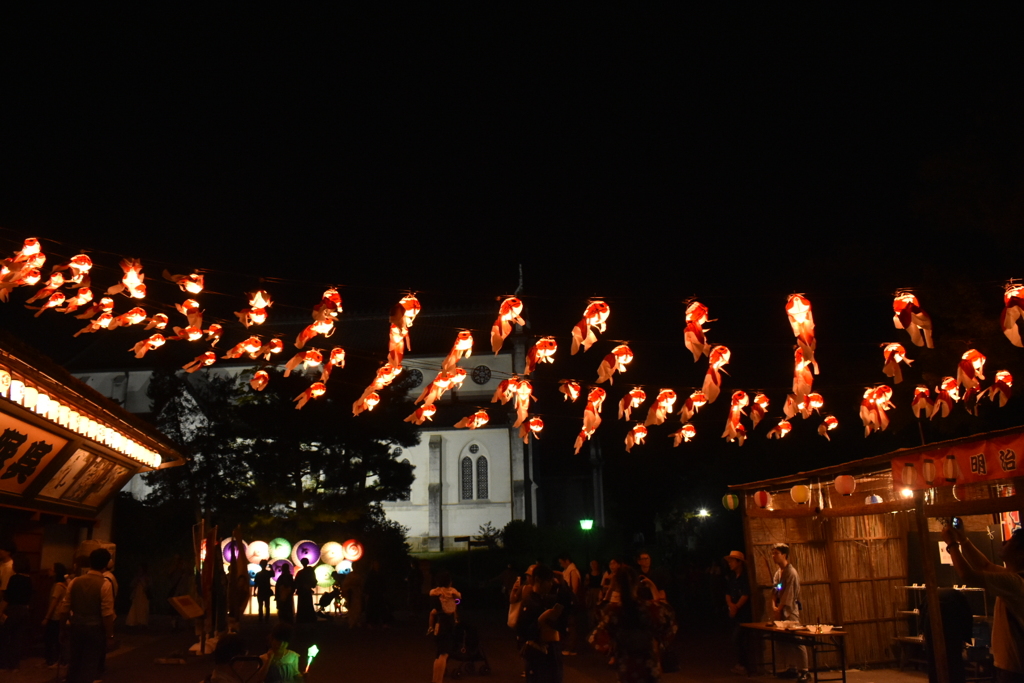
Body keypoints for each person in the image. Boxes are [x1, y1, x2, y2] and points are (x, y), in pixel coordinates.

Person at [943, 522, 1024, 682]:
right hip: (1011, 665)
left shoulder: (1015, 582)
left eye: (1010, 542)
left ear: (1021, 554)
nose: (1003, 542)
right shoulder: (1014, 577)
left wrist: (951, 544)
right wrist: (963, 539)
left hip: (1014, 669)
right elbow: (984, 565)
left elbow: (968, 575)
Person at [594, 565, 663, 682]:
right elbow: (665, 615)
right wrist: (652, 586)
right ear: (637, 583)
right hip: (649, 664)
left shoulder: (613, 611)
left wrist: (609, 590)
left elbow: (598, 638)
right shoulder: (650, 608)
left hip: (626, 665)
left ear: (617, 585)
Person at [59, 548, 116, 683]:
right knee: (90, 664)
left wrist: (62, 628)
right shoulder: (105, 584)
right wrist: (110, 635)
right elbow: (107, 614)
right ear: (106, 564)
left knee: (74, 662)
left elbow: (64, 608)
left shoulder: (75, 582)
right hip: (95, 629)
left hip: (76, 626)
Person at [518, 564, 568, 683]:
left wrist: (562, 584)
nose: (551, 584)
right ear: (537, 580)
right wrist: (540, 621)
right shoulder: (529, 602)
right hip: (538, 654)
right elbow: (523, 632)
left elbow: (570, 605)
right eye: (548, 581)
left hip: (552, 650)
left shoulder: (547, 598)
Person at [771, 543, 809, 682]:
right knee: (782, 640)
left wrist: (779, 609)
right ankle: (791, 667)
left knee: (797, 640)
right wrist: (774, 606)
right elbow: (775, 591)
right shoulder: (778, 573)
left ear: (784, 555)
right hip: (780, 609)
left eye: (776, 553)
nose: (773, 556)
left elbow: (789, 595)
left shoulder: (791, 573)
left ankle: (804, 670)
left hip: (790, 610)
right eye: (773, 553)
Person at [0, 554, 32, 671]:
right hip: (24, 610)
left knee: (4, 636)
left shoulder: (14, 578)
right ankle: (14, 664)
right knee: (17, 638)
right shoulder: (28, 579)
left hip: (13, 610)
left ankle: (3, 663)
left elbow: (7, 598)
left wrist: (0, 611)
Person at [429, 570, 461, 683]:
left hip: (438, 625)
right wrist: (454, 599)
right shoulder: (452, 594)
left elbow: (433, 611)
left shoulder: (436, 594)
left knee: (438, 655)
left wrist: (430, 626)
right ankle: (439, 680)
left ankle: (435, 679)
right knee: (444, 654)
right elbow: (459, 599)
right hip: (447, 625)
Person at [724, 550, 752, 676]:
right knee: (736, 639)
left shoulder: (745, 577)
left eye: (732, 561)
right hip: (735, 613)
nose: (729, 563)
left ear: (739, 562)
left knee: (739, 639)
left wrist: (736, 607)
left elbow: (746, 594)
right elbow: (727, 593)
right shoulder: (732, 577)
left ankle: (745, 665)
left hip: (743, 614)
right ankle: (741, 664)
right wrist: (731, 605)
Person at [42, 562, 68, 668]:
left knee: (51, 638)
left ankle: (54, 660)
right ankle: (55, 660)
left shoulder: (58, 586)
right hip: (59, 616)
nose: (49, 571)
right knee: (54, 638)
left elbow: (54, 602)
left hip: (56, 616)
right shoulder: (62, 584)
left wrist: (46, 617)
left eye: (51, 570)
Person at [557, 553, 583, 655]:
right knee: (568, 624)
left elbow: (574, 589)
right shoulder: (567, 571)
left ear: (567, 560)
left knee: (571, 625)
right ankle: (568, 646)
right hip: (567, 602)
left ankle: (571, 648)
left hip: (570, 603)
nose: (561, 565)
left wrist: (571, 600)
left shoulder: (572, 571)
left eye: (561, 562)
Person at [294, 558, 317, 624]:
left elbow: (296, 582)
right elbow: (313, 580)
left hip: (301, 591)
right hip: (307, 590)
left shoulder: (300, 572)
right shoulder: (310, 571)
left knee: (302, 605)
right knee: (308, 605)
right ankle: (310, 618)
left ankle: (301, 618)